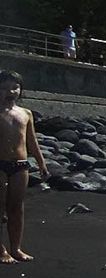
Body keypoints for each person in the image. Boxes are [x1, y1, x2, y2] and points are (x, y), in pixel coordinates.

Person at [0, 71, 48, 264]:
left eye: (14, 87)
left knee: (17, 208)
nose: (9, 91)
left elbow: (32, 141)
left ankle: (16, 248)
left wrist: (41, 163)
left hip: (20, 166)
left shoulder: (25, 113)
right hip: (0, 165)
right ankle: (1, 249)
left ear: (20, 90)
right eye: (3, 88)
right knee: (0, 208)